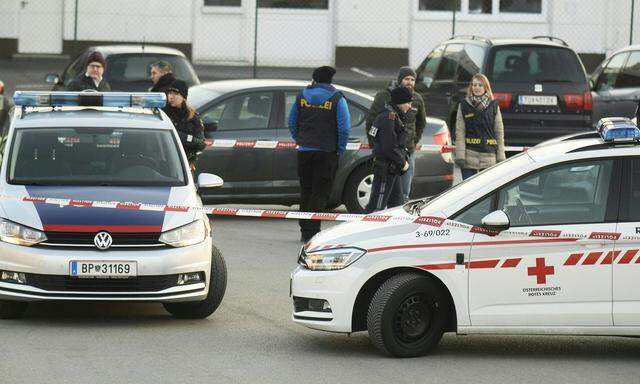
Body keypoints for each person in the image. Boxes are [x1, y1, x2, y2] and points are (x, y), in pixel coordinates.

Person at [288, 66, 350, 243]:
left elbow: (292, 122)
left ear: (314, 79)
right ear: (330, 80)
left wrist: (300, 140)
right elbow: (344, 128)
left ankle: (304, 230)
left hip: (305, 152)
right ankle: (313, 232)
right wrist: (340, 149)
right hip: (327, 152)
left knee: (306, 190)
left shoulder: (301, 97)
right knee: (320, 192)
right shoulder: (337, 99)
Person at [366, 66, 426, 202]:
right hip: (387, 155)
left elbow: (421, 123)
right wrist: (375, 145)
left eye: (412, 79)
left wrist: (412, 142)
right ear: (400, 80)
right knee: (380, 196)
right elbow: (371, 121)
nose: (409, 82)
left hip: (406, 153)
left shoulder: (417, 99)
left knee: (402, 194)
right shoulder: (384, 96)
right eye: (406, 79)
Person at [365, 87, 412, 213]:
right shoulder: (388, 118)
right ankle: (367, 231)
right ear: (401, 103)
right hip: (386, 169)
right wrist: (403, 163)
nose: (410, 106)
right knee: (376, 208)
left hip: (392, 168)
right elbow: (389, 147)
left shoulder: (393, 116)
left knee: (397, 207)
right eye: (408, 103)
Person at [454, 73, 505, 180]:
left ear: (486, 87)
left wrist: (501, 155)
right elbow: (460, 131)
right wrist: (460, 156)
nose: (476, 88)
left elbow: (499, 132)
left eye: (480, 85)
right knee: (468, 191)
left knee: (487, 191)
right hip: (469, 156)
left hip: (489, 156)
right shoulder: (463, 105)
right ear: (471, 87)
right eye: (474, 85)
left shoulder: (494, 105)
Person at [165, 80, 206, 171]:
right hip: (166, 161)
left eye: (175, 93)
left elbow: (201, 144)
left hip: (185, 164)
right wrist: (188, 139)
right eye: (169, 93)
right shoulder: (163, 113)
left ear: (183, 96)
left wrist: (192, 160)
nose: (171, 97)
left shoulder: (192, 116)